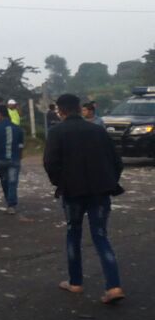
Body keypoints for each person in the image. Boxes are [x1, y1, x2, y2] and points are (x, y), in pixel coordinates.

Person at [43, 94, 125, 305]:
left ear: (60, 111)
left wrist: (61, 183)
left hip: (73, 192)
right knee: (100, 235)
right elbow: (117, 162)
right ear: (79, 108)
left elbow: (50, 163)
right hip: (101, 191)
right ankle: (114, 286)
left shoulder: (56, 132)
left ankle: (75, 282)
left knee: (73, 233)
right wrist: (109, 181)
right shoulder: (98, 130)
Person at [0, 106, 24, 214]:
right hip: (14, 159)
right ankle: (11, 205)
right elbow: (21, 145)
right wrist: (19, 156)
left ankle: (9, 200)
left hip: (0, 160)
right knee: (13, 182)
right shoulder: (17, 128)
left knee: (4, 181)